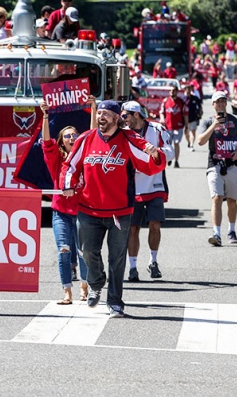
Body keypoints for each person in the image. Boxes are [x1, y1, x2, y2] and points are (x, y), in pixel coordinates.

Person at [61, 100, 165, 317]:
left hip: (120, 211)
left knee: (117, 259)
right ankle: (96, 282)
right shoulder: (85, 139)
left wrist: (155, 154)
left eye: (106, 114)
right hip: (88, 208)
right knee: (88, 252)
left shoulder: (128, 140)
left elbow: (148, 163)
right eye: (99, 113)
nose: (101, 117)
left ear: (117, 118)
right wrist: (68, 185)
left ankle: (115, 302)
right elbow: (70, 165)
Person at [39, 102, 88, 304]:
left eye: (74, 135)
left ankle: (85, 287)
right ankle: (67, 291)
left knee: (83, 252)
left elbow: (92, 133)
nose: (71, 137)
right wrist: (44, 115)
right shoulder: (57, 158)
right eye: (67, 135)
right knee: (63, 250)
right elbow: (46, 142)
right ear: (62, 141)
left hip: (82, 211)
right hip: (60, 212)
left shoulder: (85, 156)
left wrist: (93, 109)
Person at [120, 101, 174, 282]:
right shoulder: (123, 133)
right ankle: (133, 267)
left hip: (154, 184)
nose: (123, 119)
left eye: (125, 115)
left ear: (136, 115)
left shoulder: (157, 129)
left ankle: (153, 261)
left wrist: (156, 152)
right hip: (132, 186)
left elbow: (171, 152)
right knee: (133, 228)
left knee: (155, 225)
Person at [197, 91, 237, 246]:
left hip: (233, 164)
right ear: (213, 104)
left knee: (232, 201)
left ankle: (232, 230)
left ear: (226, 103)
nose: (221, 104)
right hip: (214, 165)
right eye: (217, 101)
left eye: (223, 101)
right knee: (216, 198)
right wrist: (215, 125)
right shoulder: (207, 122)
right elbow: (200, 141)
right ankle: (216, 233)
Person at [159, 85, 188, 168]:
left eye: (174, 90)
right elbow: (161, 112)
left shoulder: (181, 102)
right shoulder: (165, 101)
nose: (172, 92)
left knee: (176, 143)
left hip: (178, 127)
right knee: (168, 144)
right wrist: (162, 119)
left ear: (177, 91)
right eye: (170, 90)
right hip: (168, 127)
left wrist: (186, 126)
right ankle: (169, 158)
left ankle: (176, 161)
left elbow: (185, 114)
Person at [182, 82, 203, 150]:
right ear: (185, 90)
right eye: (187, 89)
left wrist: (199, 113)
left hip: (193, 117)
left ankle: (191, 145)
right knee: (186, 133)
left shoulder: (195, 98)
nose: (188, 90)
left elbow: (200, 106)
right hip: (185, 119)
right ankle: (189, 142)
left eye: (189, 88)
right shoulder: (183, 99)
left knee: (193, 132)